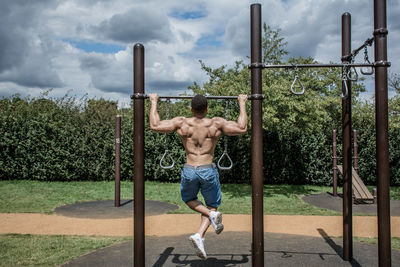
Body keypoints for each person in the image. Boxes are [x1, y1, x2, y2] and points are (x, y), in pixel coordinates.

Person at [149, 93, 248, 260]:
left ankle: (200, 236)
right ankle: (207, 221)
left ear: (191, 109)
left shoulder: (182, 122)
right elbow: (242, 128)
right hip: (207, 169)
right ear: (207, 108)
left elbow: (154, 125)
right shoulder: (216, 123)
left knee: (189, 199)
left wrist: (153, 102)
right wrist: (242, 103)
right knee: (212, 205)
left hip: (189, 169)